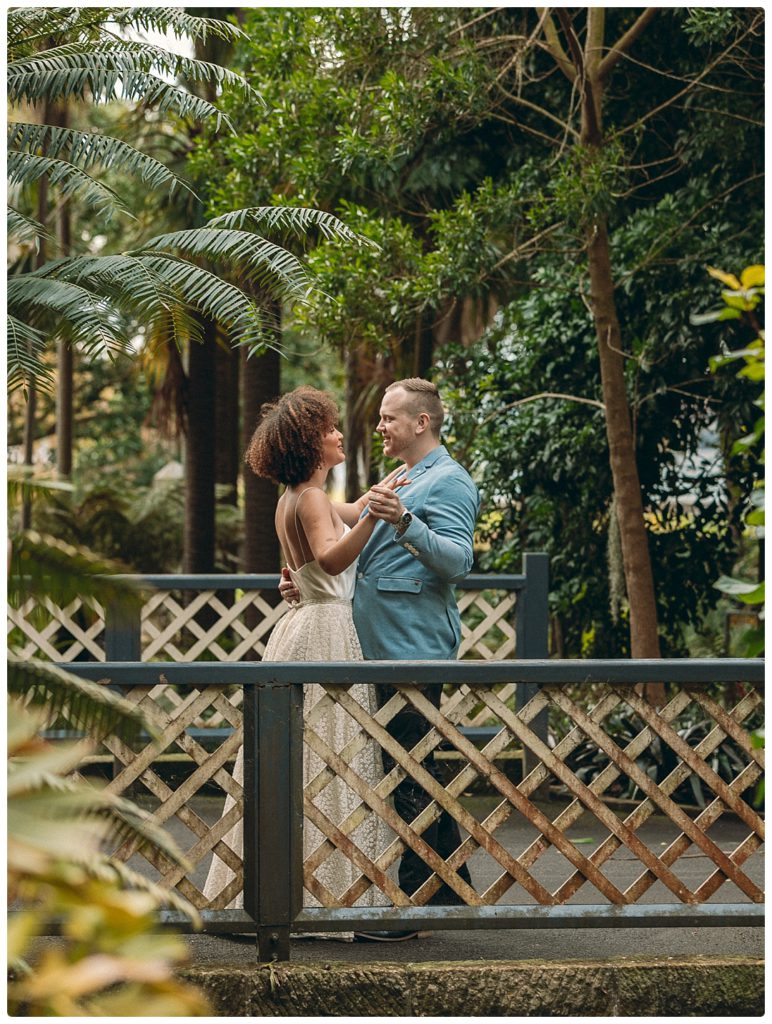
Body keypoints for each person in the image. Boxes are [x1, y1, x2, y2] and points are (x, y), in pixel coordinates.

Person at [281, 378, 481, 940]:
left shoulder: (450, 481)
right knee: (407, 768)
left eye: (389, 418)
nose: (379, 427)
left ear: (422, 422)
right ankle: (451, 886)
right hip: (365, 639)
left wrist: (406, 523)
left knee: (411, 769)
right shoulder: (396, 479)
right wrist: (302, 575)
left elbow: (459, 562)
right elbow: (332, 529)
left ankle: (418, 899)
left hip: (411, 643)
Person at [203, 386, 402, 937]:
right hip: (327, 631)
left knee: (304, 757)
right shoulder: (311, 499)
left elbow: (350, 510)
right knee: (330, 753)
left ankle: (278, 888)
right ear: (311, 442)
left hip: (300, 626)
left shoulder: (295, 495)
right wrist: (377, 521)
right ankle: (331, 893)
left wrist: (381, 495)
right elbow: (330, 555)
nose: (341, 435)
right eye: (332, 429)